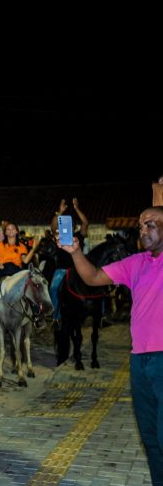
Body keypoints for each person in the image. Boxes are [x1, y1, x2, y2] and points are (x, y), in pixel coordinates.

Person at [58, 206, 163, 483]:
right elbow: (92, 277)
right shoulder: (136, 262)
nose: (143, 231)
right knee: (151, 438)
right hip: (139, 361)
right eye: (141, 226)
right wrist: (75, 252)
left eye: (150, 225)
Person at [0, 222, 40, 324]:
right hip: (1, 270)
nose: (10, 230)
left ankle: (36, 315)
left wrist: (33, 248)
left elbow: (25, 261)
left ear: (16, 231)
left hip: (17, 271)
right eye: (8, 229)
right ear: (5, 232)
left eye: (13, 229)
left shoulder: (22, 246)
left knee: (33, 286)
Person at [48, 198, 89, 322]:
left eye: (70, 225)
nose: (68, 226)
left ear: (73, 226)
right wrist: (60, 212)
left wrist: (76, 209)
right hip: (61, 269)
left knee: (94, 286)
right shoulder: (58, 236)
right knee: (53, 289)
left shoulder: (79, 236)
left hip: (78, 269)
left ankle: (100, 314)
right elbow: (53, 225)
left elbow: (85, 222)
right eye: (65, 224)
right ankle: (56, 316)